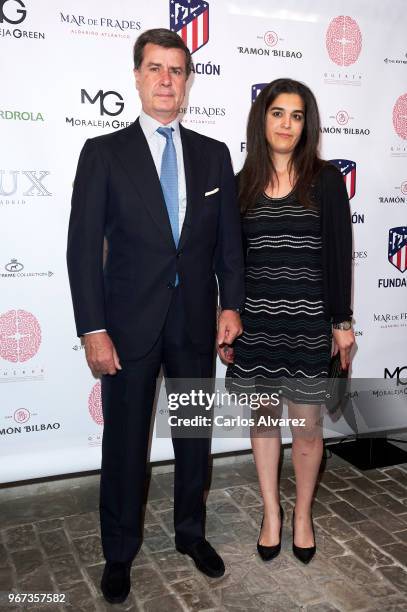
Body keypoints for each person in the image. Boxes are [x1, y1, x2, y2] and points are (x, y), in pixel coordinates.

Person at [67, 28, 245, 604]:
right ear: (138, 76)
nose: (166, 79)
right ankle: (118, 552)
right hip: (125, 329)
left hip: (194, 324)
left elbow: (228, 247)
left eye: (176, 70)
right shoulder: (103, 153)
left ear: (188, 81)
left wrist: (231, 306)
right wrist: (93, 328)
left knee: (194, 437)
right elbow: (82, 248)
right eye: (155, 68)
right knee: (124, 445)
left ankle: (191, 534)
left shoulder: (214, 155)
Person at [221, 79, 354, 564]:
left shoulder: (326, 180)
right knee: (262, 421)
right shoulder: (241, 184)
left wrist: (342, 322)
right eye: (278, 113)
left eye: (297, 116)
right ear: (263, 119)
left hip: (307, 327)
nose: (287, 124)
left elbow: (340, 256)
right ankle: (271, 512)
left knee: (307, 428)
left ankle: (302, 514)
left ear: (307, 124)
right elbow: (230, 261)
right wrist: (227, 317)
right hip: (256, 326)